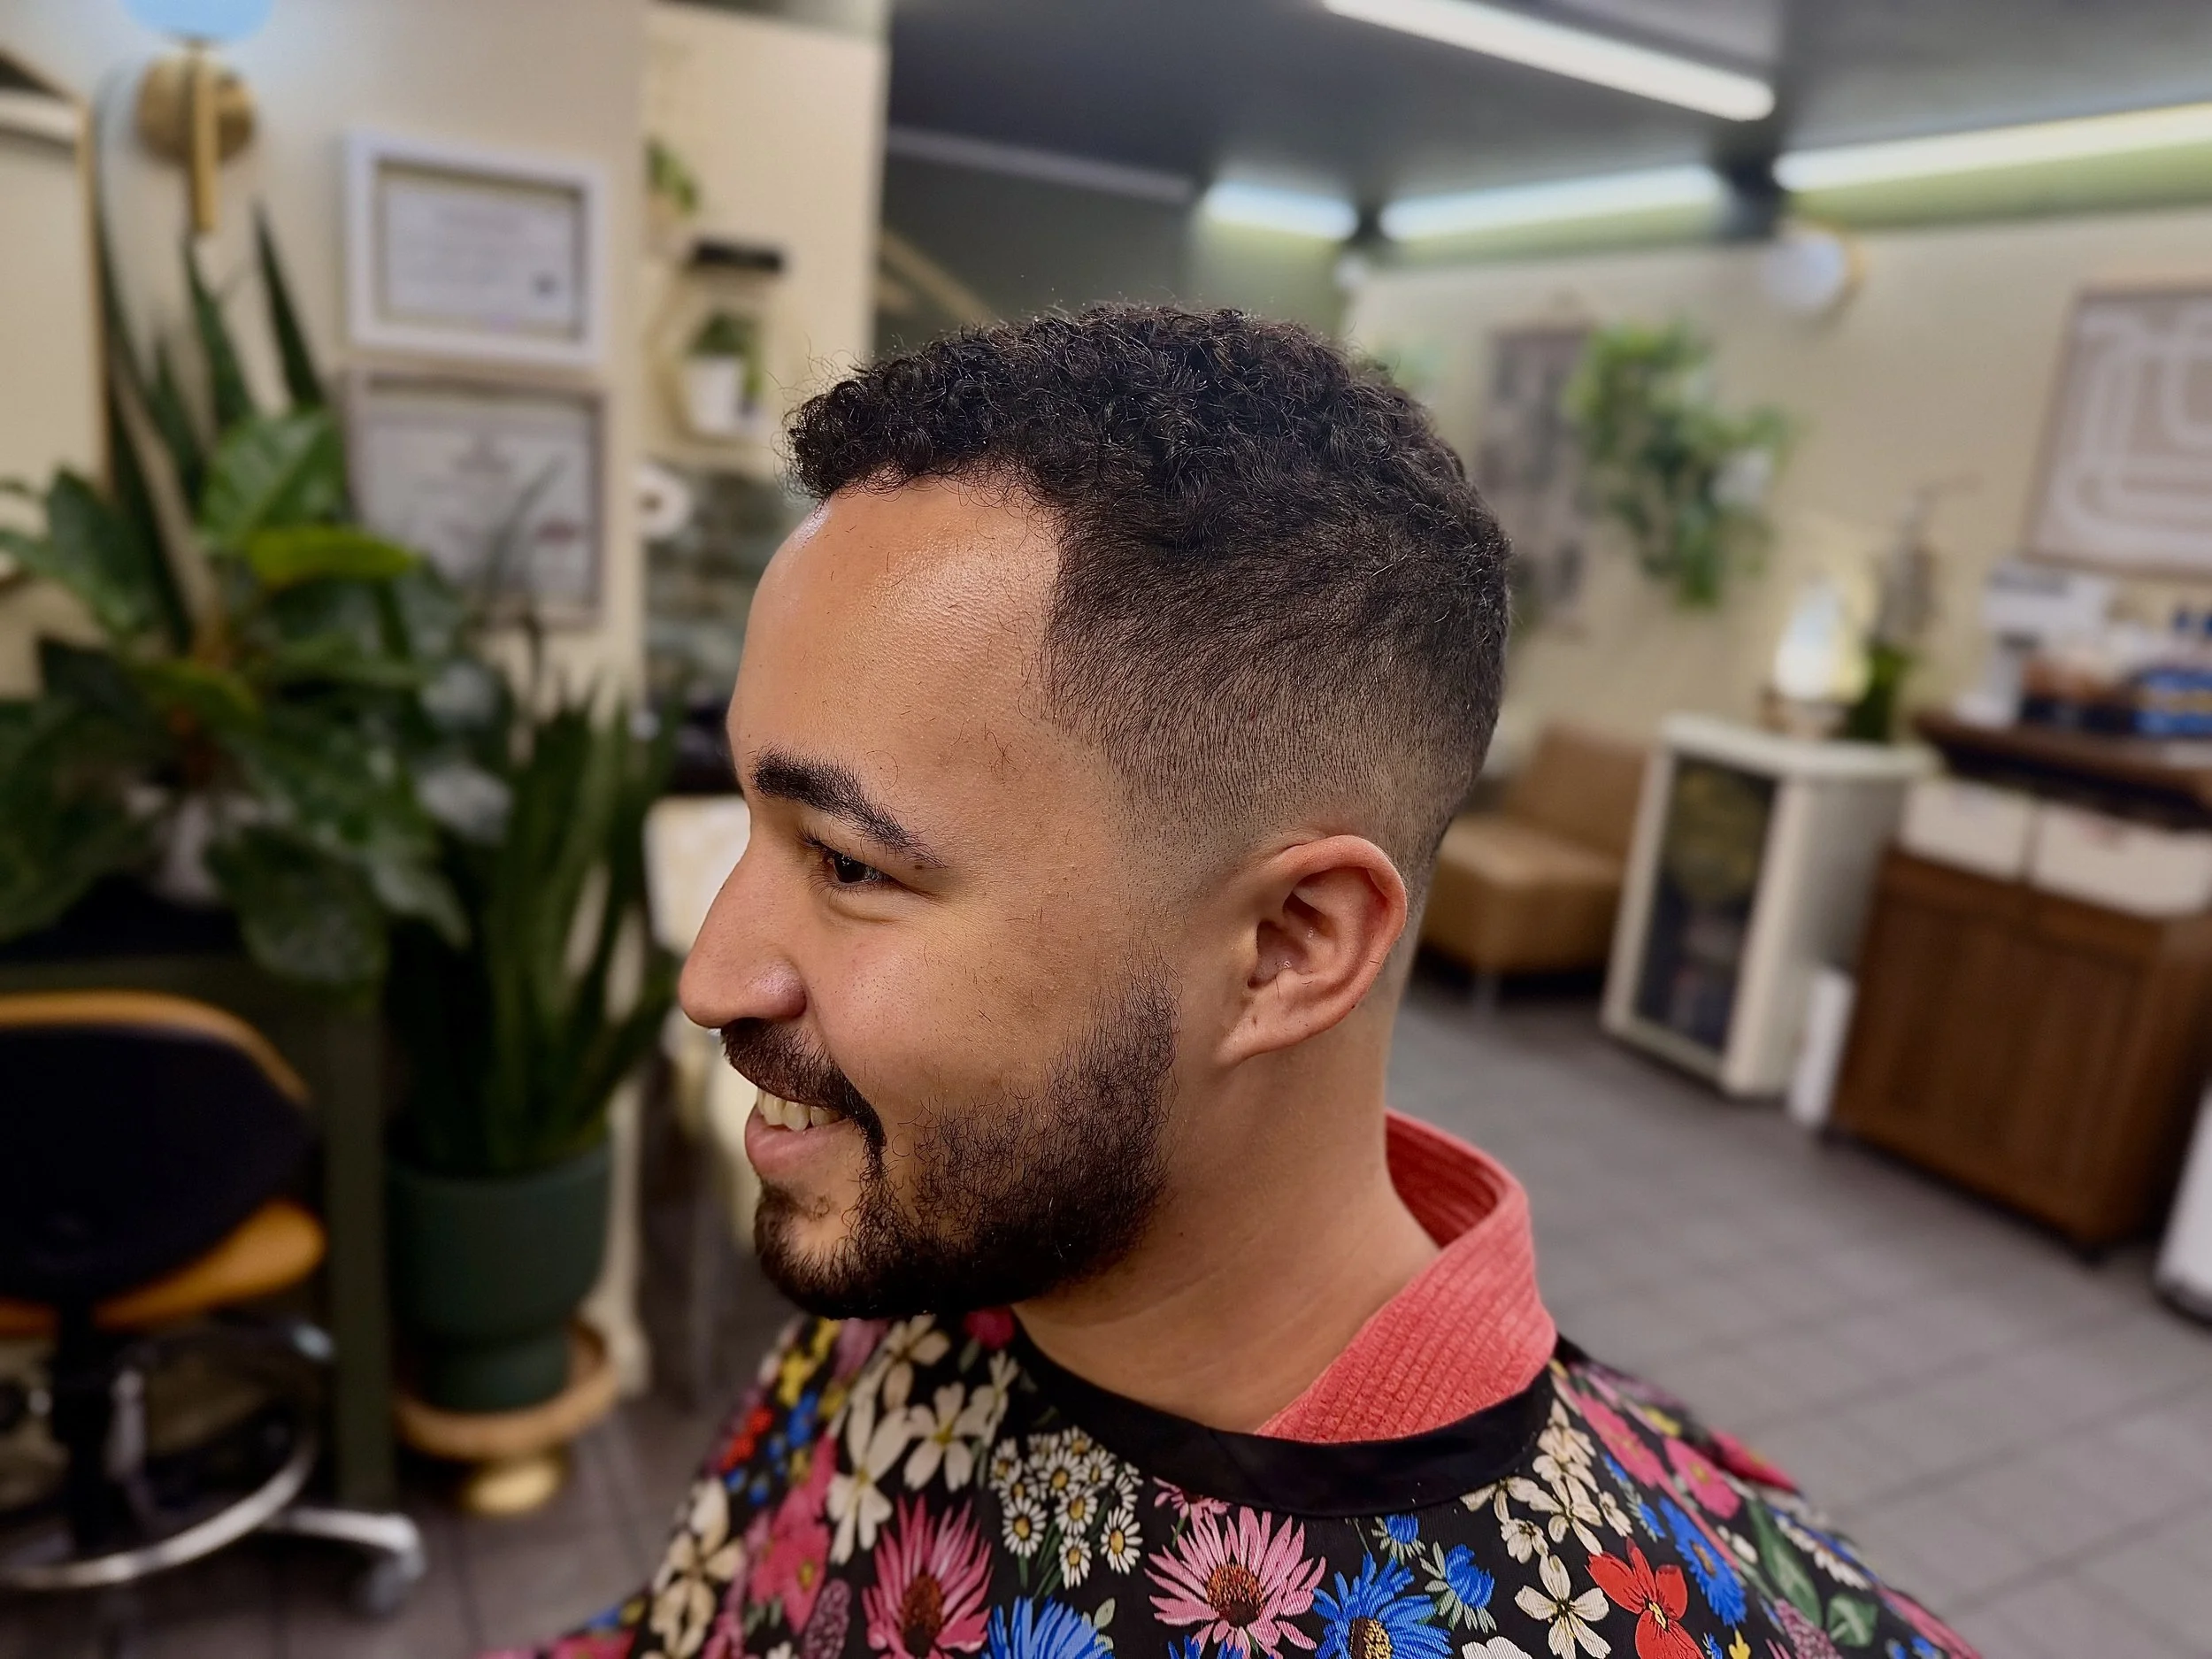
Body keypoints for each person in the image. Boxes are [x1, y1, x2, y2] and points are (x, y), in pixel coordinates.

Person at [518, 307, 1976, 1659]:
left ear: (1288, 946)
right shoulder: (953, 1244)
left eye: (849, 862)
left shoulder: (1653, 1610)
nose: (711, 974)